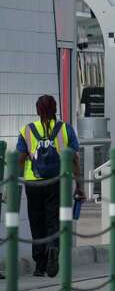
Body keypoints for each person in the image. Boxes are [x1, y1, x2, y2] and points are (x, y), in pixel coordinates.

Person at [16, 95, 83, 277]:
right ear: (55, 110)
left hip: (33, 183)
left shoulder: (27, 130)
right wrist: (79, 185)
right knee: (54, 220)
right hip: (57, 182)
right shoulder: (65, 129)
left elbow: (19, 160)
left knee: (36, 222)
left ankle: (40, 265)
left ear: (38, 111)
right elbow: (75, 159)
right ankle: (53, 247)